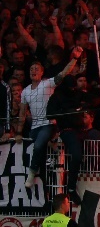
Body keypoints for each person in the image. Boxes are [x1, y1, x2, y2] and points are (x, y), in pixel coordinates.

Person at [20, 53, 81, 188]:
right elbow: (22, 112)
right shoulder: (24, 92)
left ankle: (31, 174)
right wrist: (18, 131)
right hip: (34, 127)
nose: (33, 71)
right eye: (31, 69)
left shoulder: (47, 84)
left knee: (38, 145)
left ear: (42, 72)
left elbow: (63, 73)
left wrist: (75, 58)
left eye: (36, 69)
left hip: (48, 124)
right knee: (38, 148)